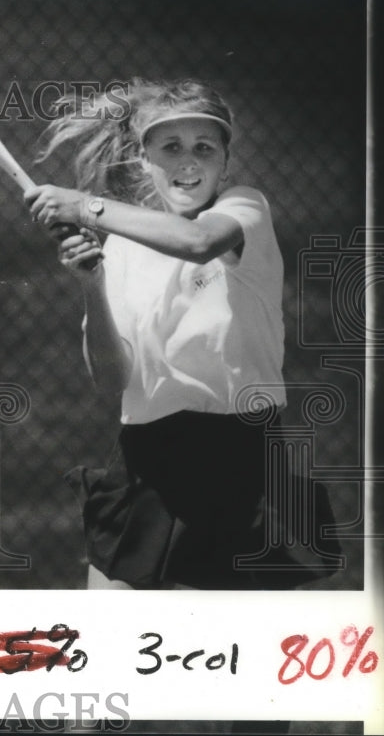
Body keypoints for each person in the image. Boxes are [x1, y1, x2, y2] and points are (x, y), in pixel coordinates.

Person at [25, 78, 340, 590]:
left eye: (204, 148)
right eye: (170, 147)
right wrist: (91, 286)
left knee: (229, 654)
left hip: (239, 458)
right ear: (144, 158)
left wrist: (83, 206)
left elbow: (197, 242)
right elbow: (112, 380)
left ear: (224, 161)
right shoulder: (122, 248)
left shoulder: (244, 209)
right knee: (108, 642)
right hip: (144, 460)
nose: (188, 161)